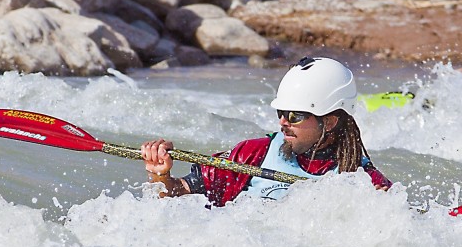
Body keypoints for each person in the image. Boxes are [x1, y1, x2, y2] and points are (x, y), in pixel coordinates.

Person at [140, 56, 392, 207]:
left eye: (295, 115)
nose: (283, 122)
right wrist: (161, 176)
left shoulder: (364, 184)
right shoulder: (252, 154)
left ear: (329, 122)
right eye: (280, 112)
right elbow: (176, 196)